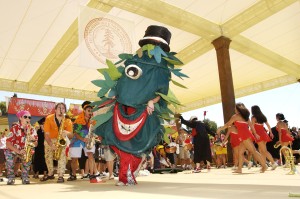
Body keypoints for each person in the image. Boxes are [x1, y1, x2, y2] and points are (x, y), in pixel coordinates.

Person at [217, 103, 268, 173]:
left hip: (244, 136)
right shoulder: (245, 117)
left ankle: (264, 166)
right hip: (245, 135)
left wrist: (220, 129)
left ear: (238, 109)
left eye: (235, 108)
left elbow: (228, 124)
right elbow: (251, 126)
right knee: (240, 153)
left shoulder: (235, 116)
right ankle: (239, 169)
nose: (234, 109)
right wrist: (255, 134)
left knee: (253, 151)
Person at [68, 101, 102, 183]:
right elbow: (75, 133)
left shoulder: (93, 121)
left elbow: (95, 131)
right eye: (88, 110)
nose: (90, 112)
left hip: (88, 140)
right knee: (74, 159)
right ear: (84, 111)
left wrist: (94, 137)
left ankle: (91, 174)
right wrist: (82, 139)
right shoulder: (78, 120)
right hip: (77, 140)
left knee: (90, 155)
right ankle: (73, 174)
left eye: (91, 111)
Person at [41, 102, 73, 183]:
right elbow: (46, 134)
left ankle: (61, 175)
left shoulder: (68, 120)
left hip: (61, 140)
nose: (61, 110)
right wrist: (51, 145)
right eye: (59, 108)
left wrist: (67, 133)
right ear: (55, 110)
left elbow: (71, 135)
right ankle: (50, 173)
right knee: (48, 156)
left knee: (62, 156)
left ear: (65, 110)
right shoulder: (49, 118)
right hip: (50, 140)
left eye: (63, 108)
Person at [5, 110, 38, 185]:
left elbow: (36, 144)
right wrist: (18, 151)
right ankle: (10, 178)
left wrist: (33, 140)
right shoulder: (14, 128)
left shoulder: (32, 129)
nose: (28, 119)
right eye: (25, 117)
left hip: (25, 150)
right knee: (9, 157)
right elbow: (8, 143)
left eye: (29, 117)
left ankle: (25, 177)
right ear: (20, 118)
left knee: (30, 152)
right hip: (13, 149)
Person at [251, 105, 278, 170]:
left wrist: (255, 134)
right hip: (264, 134)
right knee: (261, 150)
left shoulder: (253, 118)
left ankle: (273, 163)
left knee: (264, 150)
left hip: (259, 135)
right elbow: (268, 125)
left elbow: (252, 127)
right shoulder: (263, 116)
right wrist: (271, 133)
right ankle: (264, 165)